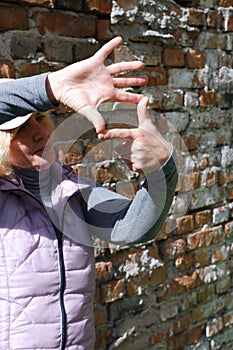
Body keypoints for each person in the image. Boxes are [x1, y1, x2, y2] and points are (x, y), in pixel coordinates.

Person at [0, 37, 178, 349]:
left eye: (40, 118)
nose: (39, 131)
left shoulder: (72, 189)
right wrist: (50, 88)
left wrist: (161, 170)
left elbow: (133, 227)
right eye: (18, 130)